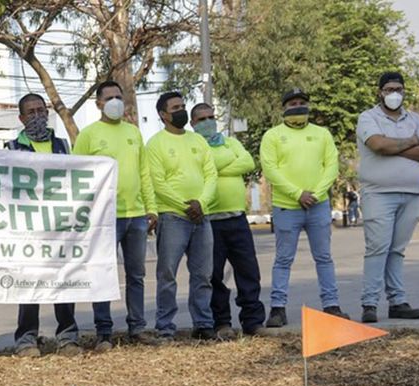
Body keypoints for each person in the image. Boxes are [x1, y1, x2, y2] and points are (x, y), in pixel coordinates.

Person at [72, 81, 161, 351]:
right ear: (98, 103)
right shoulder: (88, 135)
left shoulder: (134, 133)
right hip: (104, 217)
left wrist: (151, 207)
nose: (115, 102)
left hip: (135, 215)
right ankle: (104, 332)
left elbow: (143, 173)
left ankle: (137, 328)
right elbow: (77, 173)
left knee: (136, 275)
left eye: (119, 97)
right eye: (109, 98)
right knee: (102, 274)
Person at [260, 88, 349, 326]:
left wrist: (316, 194)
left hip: (318, 206)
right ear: (284, 108)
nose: (297, 107)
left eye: (302, 102)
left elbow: (331, 166)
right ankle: (278, 309)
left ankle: (331, 305)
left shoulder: (322, 134)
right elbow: (270, 170)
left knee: (323, 257)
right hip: (286, 207)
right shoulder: (272, 136)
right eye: (292, 103)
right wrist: (298, 194)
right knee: (283, 259)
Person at [3, 93, 82, 358]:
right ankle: (26, 339)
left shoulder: (63, 145)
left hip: (59, 227)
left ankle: (68, 337)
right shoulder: (11, 149)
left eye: (41, 110)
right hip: (28, 230)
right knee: (28, 284)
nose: (37, 116)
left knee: (63, 282)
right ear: (21, 118)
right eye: (31, 112)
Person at [356, 72, 419, 323]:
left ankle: (398, 301)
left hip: (411, 195)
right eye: (389, 89)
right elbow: (378, 145)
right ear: (380, 92)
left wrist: (394, 146)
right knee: (378, 248)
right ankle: (369, 303)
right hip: (378, 193)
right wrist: (410, 142)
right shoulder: (368, 117)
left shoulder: (416, 119)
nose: (394, 94)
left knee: (397, 250)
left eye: (398, 89)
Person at [146, 92, 219, 340]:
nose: (181, 111)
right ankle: (165, 327)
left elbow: (211, 175)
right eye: (175, 107)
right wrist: (185, 205)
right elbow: (158, 182)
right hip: (173, 217)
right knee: (167, 275)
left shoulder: (198, 141)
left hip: (202, 216)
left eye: (183, 106)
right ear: (163, 115)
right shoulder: (155, 144)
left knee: (203, 275)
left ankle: (203, 323)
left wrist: (202, 202)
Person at [190, 103, 266, 337]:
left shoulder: (230, 141)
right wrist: (224, 165)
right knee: (213, 275)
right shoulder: (193, 146)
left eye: (211, 117)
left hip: (237, 217)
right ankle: (221, 322)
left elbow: (248, 162)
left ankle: (252, 321)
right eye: (202, 119)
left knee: (248, 270)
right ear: (193, 124)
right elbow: (201, 168)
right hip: (210, 219)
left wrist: (214, 167)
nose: (208, 122)